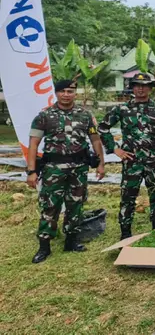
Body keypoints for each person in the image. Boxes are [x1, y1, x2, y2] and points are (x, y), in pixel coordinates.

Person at [98, 73, 155, 240]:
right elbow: (102, 128)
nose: (140, 88)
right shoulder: (122, 109)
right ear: (132, 87)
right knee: (127, 198)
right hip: (131, 161)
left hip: (154, 161)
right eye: (137, 85)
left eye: (144, 85)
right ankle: (125, 233)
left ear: (151, 89)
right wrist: (115, 149)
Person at [28, 80, 106, 263]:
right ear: (56, 93)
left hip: (78, 169)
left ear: (75, 93)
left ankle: (71, 241)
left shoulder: (86, 115)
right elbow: (33, 144)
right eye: (62, 91)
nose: (66, 94)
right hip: (53, 170)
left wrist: (101, 163)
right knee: (50, 206)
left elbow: (95, 140)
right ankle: (44, 246)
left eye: (70, 91)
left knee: (76, 204)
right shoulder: (45, 116)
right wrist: (31, 171)